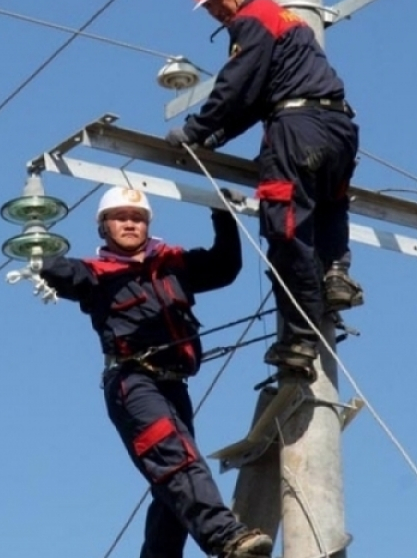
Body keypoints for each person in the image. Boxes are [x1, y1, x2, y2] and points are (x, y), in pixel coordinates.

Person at [37, 186, 272, 558]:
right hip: (132, 384)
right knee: (176, 461)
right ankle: (225, 536)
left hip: (174, 388)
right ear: (103, 227)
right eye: (120, 218)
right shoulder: (97, 274)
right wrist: (39, 244)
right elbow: (62, 274)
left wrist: (222, 214)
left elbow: (225, 267)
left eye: (138, 218)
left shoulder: (172, 263)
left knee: (172, 490)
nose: (130, 223)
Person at [164, 0, 365, 377]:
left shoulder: (252, 19)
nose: (218, 10)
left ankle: (300, 337)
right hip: (338, 130)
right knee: (328, 205)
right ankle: (335, 274)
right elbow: (257, 96)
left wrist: (197, 130)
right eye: (211, 5)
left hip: (296, 132)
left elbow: (237, 87)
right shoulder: (283, 23)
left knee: (285, 230)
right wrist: (216, 136)